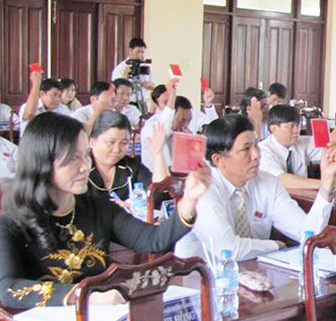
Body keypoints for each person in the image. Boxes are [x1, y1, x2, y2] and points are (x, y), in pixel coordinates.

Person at [0, 112, 210, 309]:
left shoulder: (98, 208)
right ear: (42, 162)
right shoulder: (11, 223)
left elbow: (154, 240)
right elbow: (7, 288)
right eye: (73, 158)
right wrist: (84, 295)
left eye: (86, 155)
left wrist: (189, 199)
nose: (85, 166)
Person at [175, 114, 336, 262]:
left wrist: (327, 182)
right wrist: (275, 246)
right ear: (219, 160)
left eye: (256, 145)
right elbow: (228, 249)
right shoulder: (203, 188)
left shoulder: (267, 182)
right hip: (201, 278)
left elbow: (308, 233)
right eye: (246, 149)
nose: (256, 154)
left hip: (253, 273)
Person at [258, 99, 336, 190]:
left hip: (303, 195)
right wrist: (324, 183)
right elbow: (281, 180)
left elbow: (334, 140)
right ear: (273, 128)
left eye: (298, 125)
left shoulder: (300, 143)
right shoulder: (263, 150)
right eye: (291, 126)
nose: (297, 131)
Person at [87, 110, 168, 206]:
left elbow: (159, 196)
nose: (117, 149)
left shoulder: (132, 167)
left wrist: (158, 154)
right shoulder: (79, 169)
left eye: (124, 143)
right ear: (92, 142)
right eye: (111, 142)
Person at [139, 79, 178, 171]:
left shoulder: (180, 118)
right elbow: (164, 130)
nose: (171, 104)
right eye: (165, 102)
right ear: (157, 105)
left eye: (172, 100)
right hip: (153, 172)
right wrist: (172, 96)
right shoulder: (151, 124)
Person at [111, 38, 154, 109]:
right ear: (130, 50)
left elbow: (153, 86)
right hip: (128, 103)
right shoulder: (121, 68)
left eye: (142, 52)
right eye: (138, 52)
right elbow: (115, 88)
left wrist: (147, 84)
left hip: (143, 103)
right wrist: (125, 75)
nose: (140, 55)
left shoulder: (145, 66)